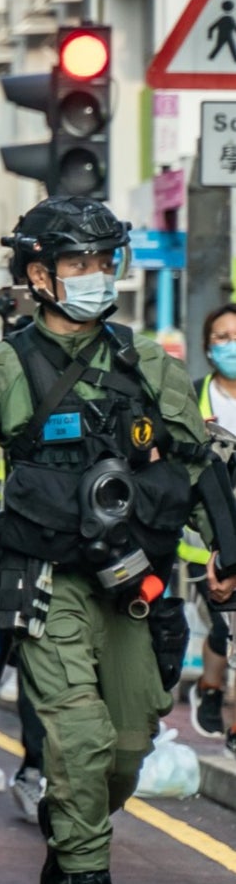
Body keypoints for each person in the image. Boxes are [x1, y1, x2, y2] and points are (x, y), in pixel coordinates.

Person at [0, 195, 231, 884]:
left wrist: (223, 550)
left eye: (103, 262)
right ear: (37, 274)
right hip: (44, 578)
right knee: (78, 739)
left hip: (132, 583)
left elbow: (195, 467)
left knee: (126, 745)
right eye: (77, 263)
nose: (94, 277)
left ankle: (71, 827)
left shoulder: (149, 362)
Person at [188, 302, 236, 748]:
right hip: (205, 539)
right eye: (222, 338)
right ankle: (210, 687)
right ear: (208, 347)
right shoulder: (192, 394)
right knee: (224, 625)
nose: (231, 345)